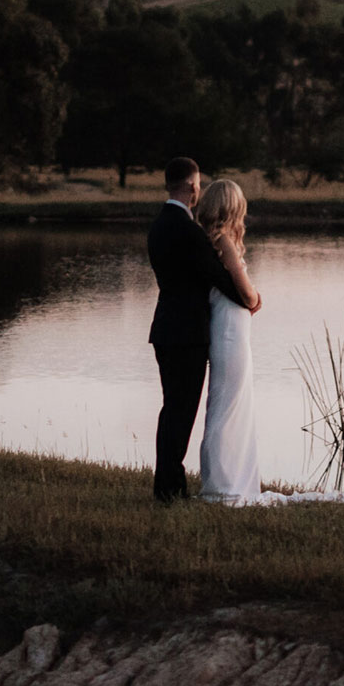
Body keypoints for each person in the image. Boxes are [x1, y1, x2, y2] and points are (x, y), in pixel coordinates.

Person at [146, 157, 257, 502]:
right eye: (198, 186)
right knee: (181, 412)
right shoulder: (188, 231)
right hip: (187, 336)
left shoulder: (158, 226)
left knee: (172, 410)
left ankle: (168, 483)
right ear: (193, 186)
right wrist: (252, 300)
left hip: (165, 329)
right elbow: (222, 280)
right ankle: (170, 488)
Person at [195, 178, 263, 504]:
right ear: (232, 207)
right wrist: (256, 298)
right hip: (229, 331)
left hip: (232, 327)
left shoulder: (213, 239)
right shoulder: (223, 240)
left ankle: (228, 478)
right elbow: (245, 289)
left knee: (230, 402)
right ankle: (220, 484)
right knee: (225, 403)